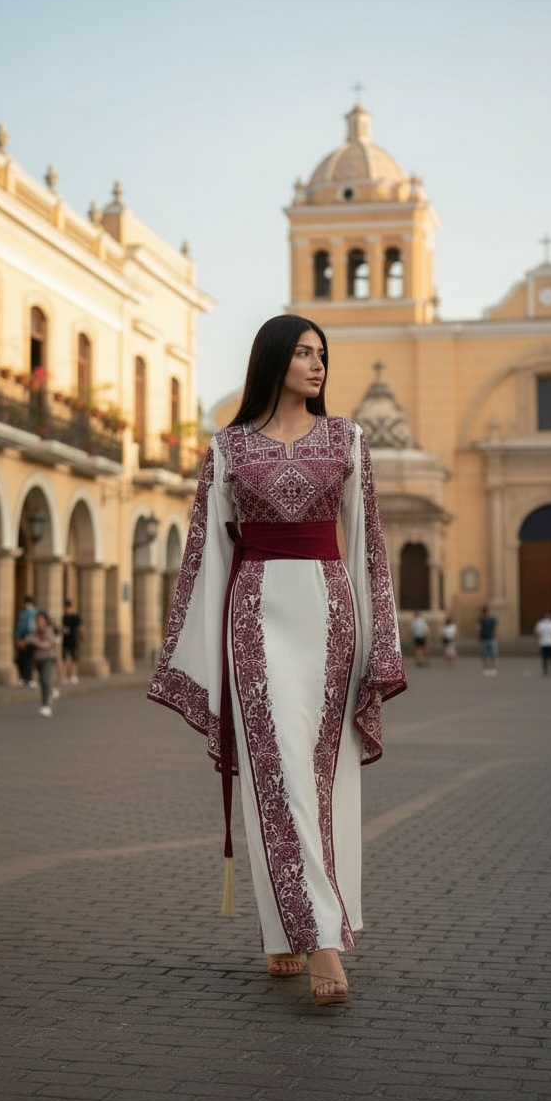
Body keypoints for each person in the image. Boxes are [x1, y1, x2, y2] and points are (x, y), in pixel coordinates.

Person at [148, 315, 406, 1007]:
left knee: (317, 777)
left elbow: (369, 547)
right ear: (272, 359)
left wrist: (379, 638)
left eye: (323, 353)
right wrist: (198, 649)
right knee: (279, 770)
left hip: (329, 617)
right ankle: (321, 940)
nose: (317, 364)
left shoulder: (347, 439)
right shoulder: (227, 449)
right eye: (302, 352)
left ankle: (281, 931)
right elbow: (208, 553)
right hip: (255, 617)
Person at [28, 610, 58, 717]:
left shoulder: (49, 631)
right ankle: (47, 698)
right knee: (42, 682)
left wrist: (36, 643)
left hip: (48, 658)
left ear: (46, 621)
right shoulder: (34, 631)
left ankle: (47, 705)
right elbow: (29, 640)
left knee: (46, 680)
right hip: (38, 659)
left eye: (41, 620)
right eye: (38, 620)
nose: (39, 622)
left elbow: (49, 645)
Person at [14, 594, 37, 688]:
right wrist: (17, 638)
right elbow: (19, 627)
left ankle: (29, 678)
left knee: (29, 660)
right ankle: (24, 678)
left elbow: (32, 627)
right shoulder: (22, 613)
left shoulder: (35, 613)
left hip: (30, 637)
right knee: (21, 659)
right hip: (23, 637)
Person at [61, 599, 83, 684]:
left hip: (73, 639)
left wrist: (82, 636)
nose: (67, 609)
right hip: (66, 640)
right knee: (65, 658)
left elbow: (80, 627)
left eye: (69, 608)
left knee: (74, 658)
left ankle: (73, 675)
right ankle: (64, 675)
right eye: (66, 608)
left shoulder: (75, 617)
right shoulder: (64, 617)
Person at [477, 605, 498, 675]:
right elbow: (479, 629)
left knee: (493, 654)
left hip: (491, 638)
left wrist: (495, 636)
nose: (487, 613)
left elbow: (495, 628)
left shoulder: (493, 619)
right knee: (484, 654)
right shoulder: (481, 620)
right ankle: (486, 668)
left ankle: (493, 668)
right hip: (484, 638)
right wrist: (479, 637)